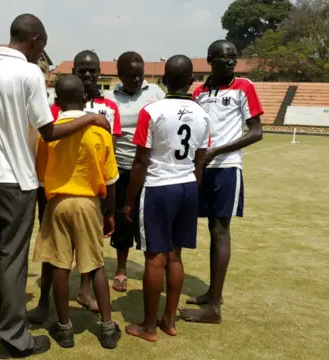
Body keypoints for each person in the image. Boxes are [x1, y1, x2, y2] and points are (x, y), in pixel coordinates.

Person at [0, 14, 110, 358]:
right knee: (12, 261)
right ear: (35, 39)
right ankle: (13, 339)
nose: (43, 54)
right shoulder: (29, 73)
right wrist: (91, 118)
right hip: (16, 183)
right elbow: (48, 130)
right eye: (43, 46)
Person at [28, 50, 122, 324]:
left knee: (59, 262)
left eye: (93, 69)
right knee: (95, 264)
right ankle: (106, 325)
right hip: (88, 201)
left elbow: (42, 176)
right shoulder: (96, 128)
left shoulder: (54, 127)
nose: (88, 73)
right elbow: (111, 177)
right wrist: (109, 211)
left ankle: (65, 323)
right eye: (82, 68)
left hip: (58, 200)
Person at [122, 55, 209, 342]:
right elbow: (200, 161)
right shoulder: (202, 114)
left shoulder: (152, 110)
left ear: (163, 81)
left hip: (159, 188)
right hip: (188, 188)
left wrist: (129, 202)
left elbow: (140, 162)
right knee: (176, 256)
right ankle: (169, 320)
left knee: (154, 259)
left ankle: (148, 327)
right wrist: (191, 191)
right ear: (192, 80)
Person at [180, 40, 264, 324]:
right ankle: (211, 293)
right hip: (201, 169)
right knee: (208, 229)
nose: (230, 62)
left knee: (220, 231)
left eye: (234, 57)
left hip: (226, 168)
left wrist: (216, 151)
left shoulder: (244, 86)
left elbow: (256, 133)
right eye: (224, 57)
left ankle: (214, 307)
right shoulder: (199, 92)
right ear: (209, 59)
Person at [104, 51, 165, 292]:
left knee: (150, 219)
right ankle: (121, 269)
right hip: (120, 168)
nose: (137, 80)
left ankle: (154, 268)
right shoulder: (110, 97)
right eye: (131, 76)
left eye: (140, 75)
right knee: (122, 219)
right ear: (120, 75)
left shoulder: (156, 94)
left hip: (149, 169)